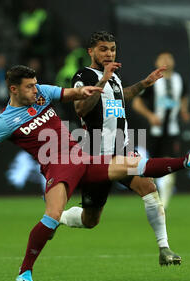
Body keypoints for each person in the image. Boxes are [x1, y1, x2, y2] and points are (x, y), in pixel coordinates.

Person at [0, 65, 190, 281]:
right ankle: (25, 272)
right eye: (29, 87)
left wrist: (90, 88)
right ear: (13, 89)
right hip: (57, 165)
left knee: (132, 165)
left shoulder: (41, 95)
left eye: (36, 85)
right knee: (51, 217)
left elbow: (70, 93)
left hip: (82, 157)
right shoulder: (3, 122)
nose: (36, 90)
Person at [64, 31, 181, 266]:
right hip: (96, 156)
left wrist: (144, 84)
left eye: (113, 49)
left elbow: (121, 97)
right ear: (91, 52)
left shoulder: (114, 77)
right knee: (90, 220)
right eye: (103, 49)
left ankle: (164, 248)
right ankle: (58, 216)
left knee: (148, 187)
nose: (109, 53)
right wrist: (102, 80)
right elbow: (80, 109)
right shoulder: (83, 76)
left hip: (122, 151)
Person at [132, 51, 190, 209]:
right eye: (162, 58)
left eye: (169, 57)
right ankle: (155, 197)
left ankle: (163, 203)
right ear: (156, 62)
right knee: (153, 165)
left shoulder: (180, 80)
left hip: (172, 130)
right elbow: (137, 103)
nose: (166, 60)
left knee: (169, 161)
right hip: (154, 131)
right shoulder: (152, 82)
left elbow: (184, 97)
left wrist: (184, 110)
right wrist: (150, 116)